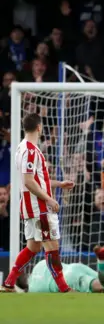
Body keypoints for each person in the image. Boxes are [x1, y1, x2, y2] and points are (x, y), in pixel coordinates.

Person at [1, 113, 76, 293]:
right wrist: (49, 199)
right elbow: (28, 181)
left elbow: (37, 180)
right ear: (39, 127)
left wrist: (59, 184)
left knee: (33, 246)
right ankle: (64, 288)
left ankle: (9, 283)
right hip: (39, 207)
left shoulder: (21, 148)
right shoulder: (30, 150)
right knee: (53, 246)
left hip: (32, 206)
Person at [20, 244, 104, 293]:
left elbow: (67, 291)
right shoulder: (38, 265)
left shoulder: (33, 290)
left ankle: (102, 260)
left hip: (68, 279)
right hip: (75, 267)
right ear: (26, 273)